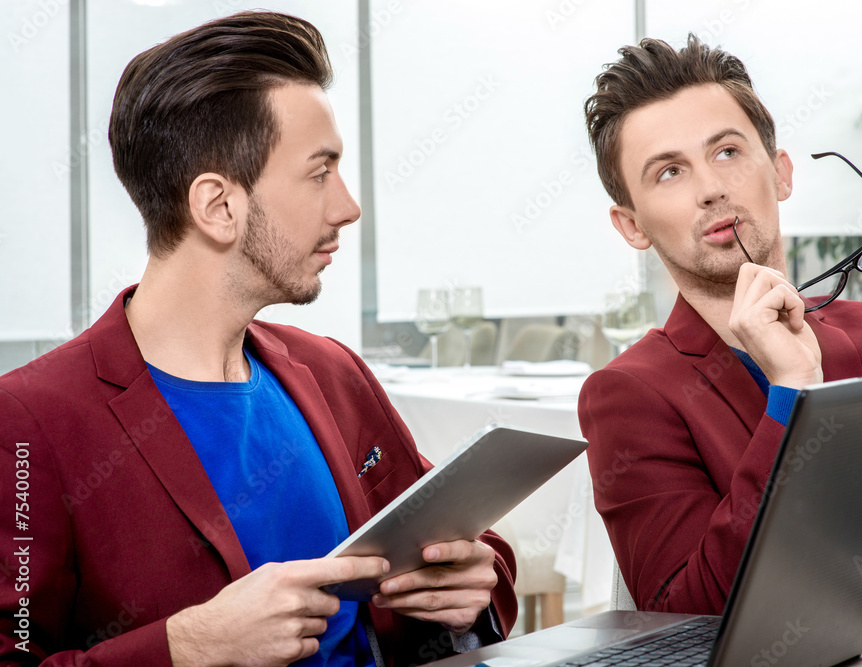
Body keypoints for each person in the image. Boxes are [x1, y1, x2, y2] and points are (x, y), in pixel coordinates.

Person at [0, 11, 515, 666]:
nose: (348, 206)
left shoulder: (332, 373)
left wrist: (472, 580)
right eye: (319, 171)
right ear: (218, 206)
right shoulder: (27, 421)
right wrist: (185, 646)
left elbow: (457, 542)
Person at [578, 35, 862, 615]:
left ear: (780, 173)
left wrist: (825, 603)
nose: (711, 189)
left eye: (727, 152)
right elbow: (691, 611)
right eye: (670, 172)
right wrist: (790, 394)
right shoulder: (629, 396)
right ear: (632, 226)